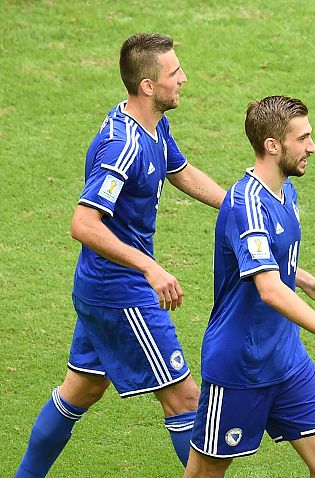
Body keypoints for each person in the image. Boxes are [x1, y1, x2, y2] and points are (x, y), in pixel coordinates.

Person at [15, 33, 226, 477]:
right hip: (121, 291)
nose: (183, 78)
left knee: (82, 389)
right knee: (186, 399)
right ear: (148, 86)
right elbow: (83, 223)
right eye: (174, 73)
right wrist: (149, 266)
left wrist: (239, 205)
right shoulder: (122, 146)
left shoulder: (153, 125)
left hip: (101, 285)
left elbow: (181, 171)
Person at [184, 95, 315, 478]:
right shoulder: (246, 205)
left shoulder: (286, 192)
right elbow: (269, 289)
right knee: (205, 474)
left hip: (287, 360)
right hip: (239, 365)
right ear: (272, 146)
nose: (312, 147)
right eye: (302, 138)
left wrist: (304, 280)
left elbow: (266, 262)